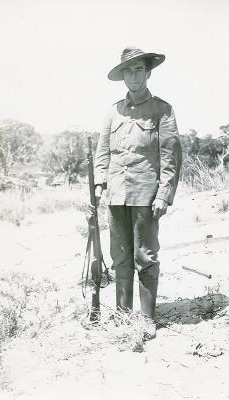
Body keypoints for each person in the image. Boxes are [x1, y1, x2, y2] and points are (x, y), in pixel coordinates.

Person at [94, 46, 182, 340]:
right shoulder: (112, 111)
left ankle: (146, 318)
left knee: (145, 255)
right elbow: (102, 153)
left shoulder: (162, 110)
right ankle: (122, 314)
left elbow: (170, 158)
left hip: (146, 196)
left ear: (148, 73)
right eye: (128, 71)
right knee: (119, 256)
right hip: (115, 196)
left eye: (138, 70)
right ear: (122, 77)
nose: (133, 76)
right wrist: (98, 185)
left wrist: (163, 195)